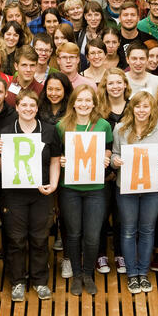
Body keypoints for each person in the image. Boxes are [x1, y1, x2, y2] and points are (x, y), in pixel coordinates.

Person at [0, 90, 61, 301]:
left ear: (37, 108)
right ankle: (17, 281)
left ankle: (40, 281)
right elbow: (2, 166)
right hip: (14, 195)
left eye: (32, 105)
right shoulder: (7, 132)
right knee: (16, 239)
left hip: (41, 193)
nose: (28, 109)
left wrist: (53, 185)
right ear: (16, 107)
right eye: (23, 105)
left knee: (40, 238)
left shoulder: (49, 130)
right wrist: (0, 153)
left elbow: (55, 160)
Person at [110, 91, 158, 294]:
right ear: (132, 108)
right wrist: (115, 161)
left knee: (147, 230)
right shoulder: (120, 128)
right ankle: (131, 274)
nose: (142, 110)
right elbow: (114, 154)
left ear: (152, 109)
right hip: (126, 187)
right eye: (138, 106)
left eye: (146, 106)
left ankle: (143, 272)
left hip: (152, 187)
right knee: (128, 230)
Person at [57, 84, 113, 295]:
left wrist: (106, 157)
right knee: (73, 234)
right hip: (70, 188)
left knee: (92, 235)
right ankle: (77, 274)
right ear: (73, 103)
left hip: (96, 188)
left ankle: (88, 274)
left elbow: (108, 148)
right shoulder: (62, 126)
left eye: (88, 100)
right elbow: (56, 154)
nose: (83, 104)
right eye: (79, 100)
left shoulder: (103, 125)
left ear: (94, 103)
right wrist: (61, 159)